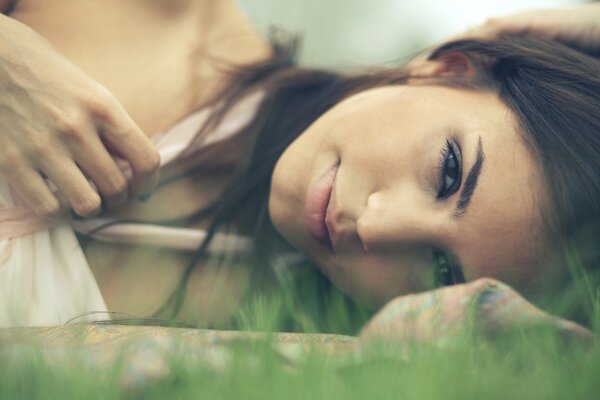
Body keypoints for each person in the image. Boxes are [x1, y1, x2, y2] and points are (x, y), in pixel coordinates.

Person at [0, 0, 598, 328]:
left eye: (442, 271)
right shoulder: (164, 12)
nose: (377, 228)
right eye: (447, 173)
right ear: (451, 68)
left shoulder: (281, 338)